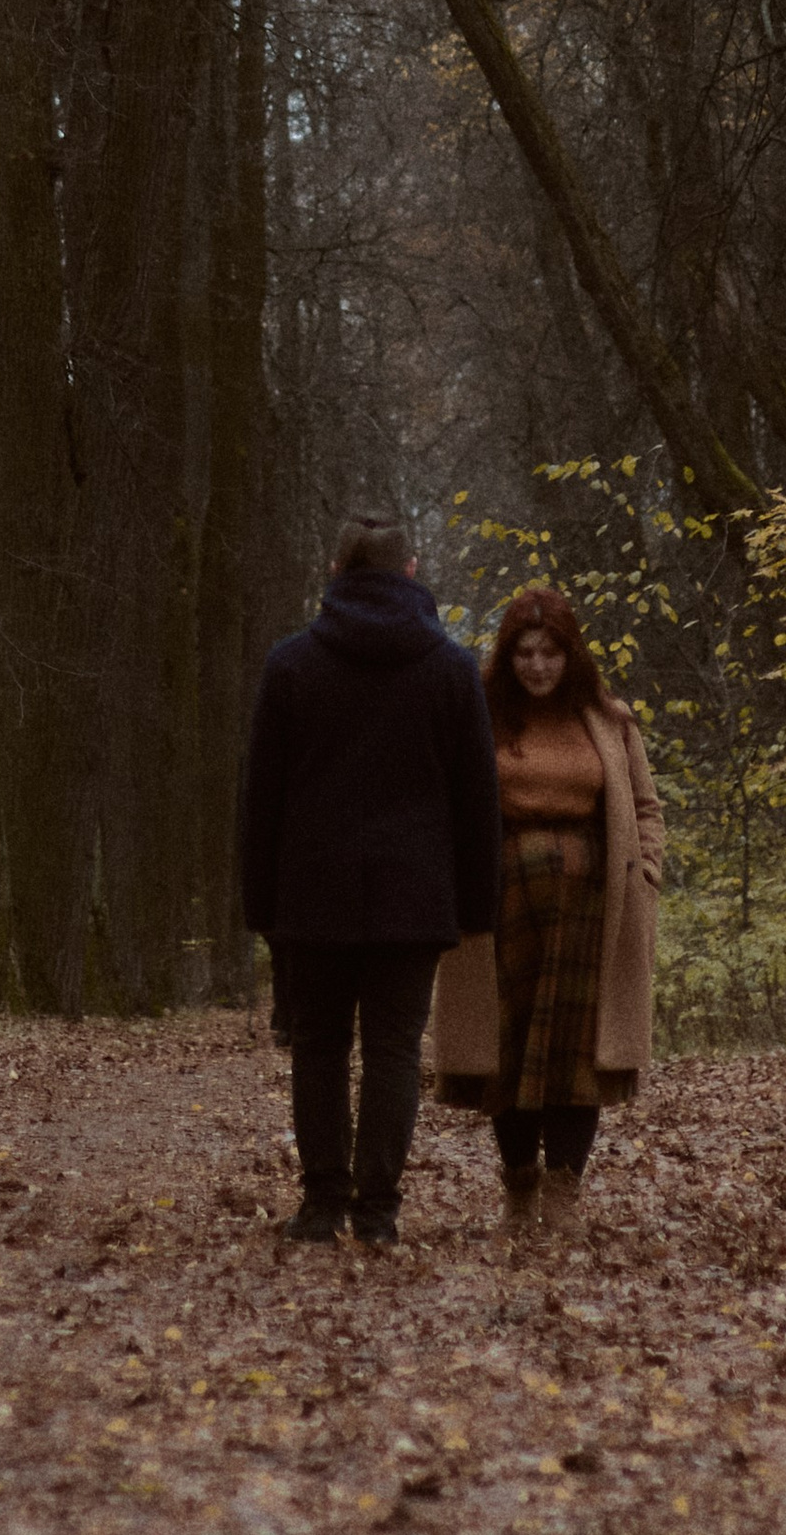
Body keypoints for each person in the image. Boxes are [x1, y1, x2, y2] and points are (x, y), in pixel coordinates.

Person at [239, 511, 500, 1247]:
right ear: (411, 572)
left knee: (319, 1046)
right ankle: (378, 1211)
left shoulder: (292, 665)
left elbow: (261, 799)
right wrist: (478, 906)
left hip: (311, 892)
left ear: (335, 573)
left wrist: (260, 904)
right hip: (414, 897)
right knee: (393, 1051)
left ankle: (323, 1204)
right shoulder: (451, 669)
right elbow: (476, 799)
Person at [431, 583, 664, 1230]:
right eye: (525, 653)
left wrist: (646, 872)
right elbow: (450, 802)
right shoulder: (482, 717)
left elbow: (646, 807)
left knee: (576, 1054)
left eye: (550, 653)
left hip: (593, 913)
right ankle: (519, 1188)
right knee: (509, 1051)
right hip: (503, 909)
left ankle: (564, 1191)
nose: (537, 665)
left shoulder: (609, 720)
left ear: (571, 655)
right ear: (507, 657)